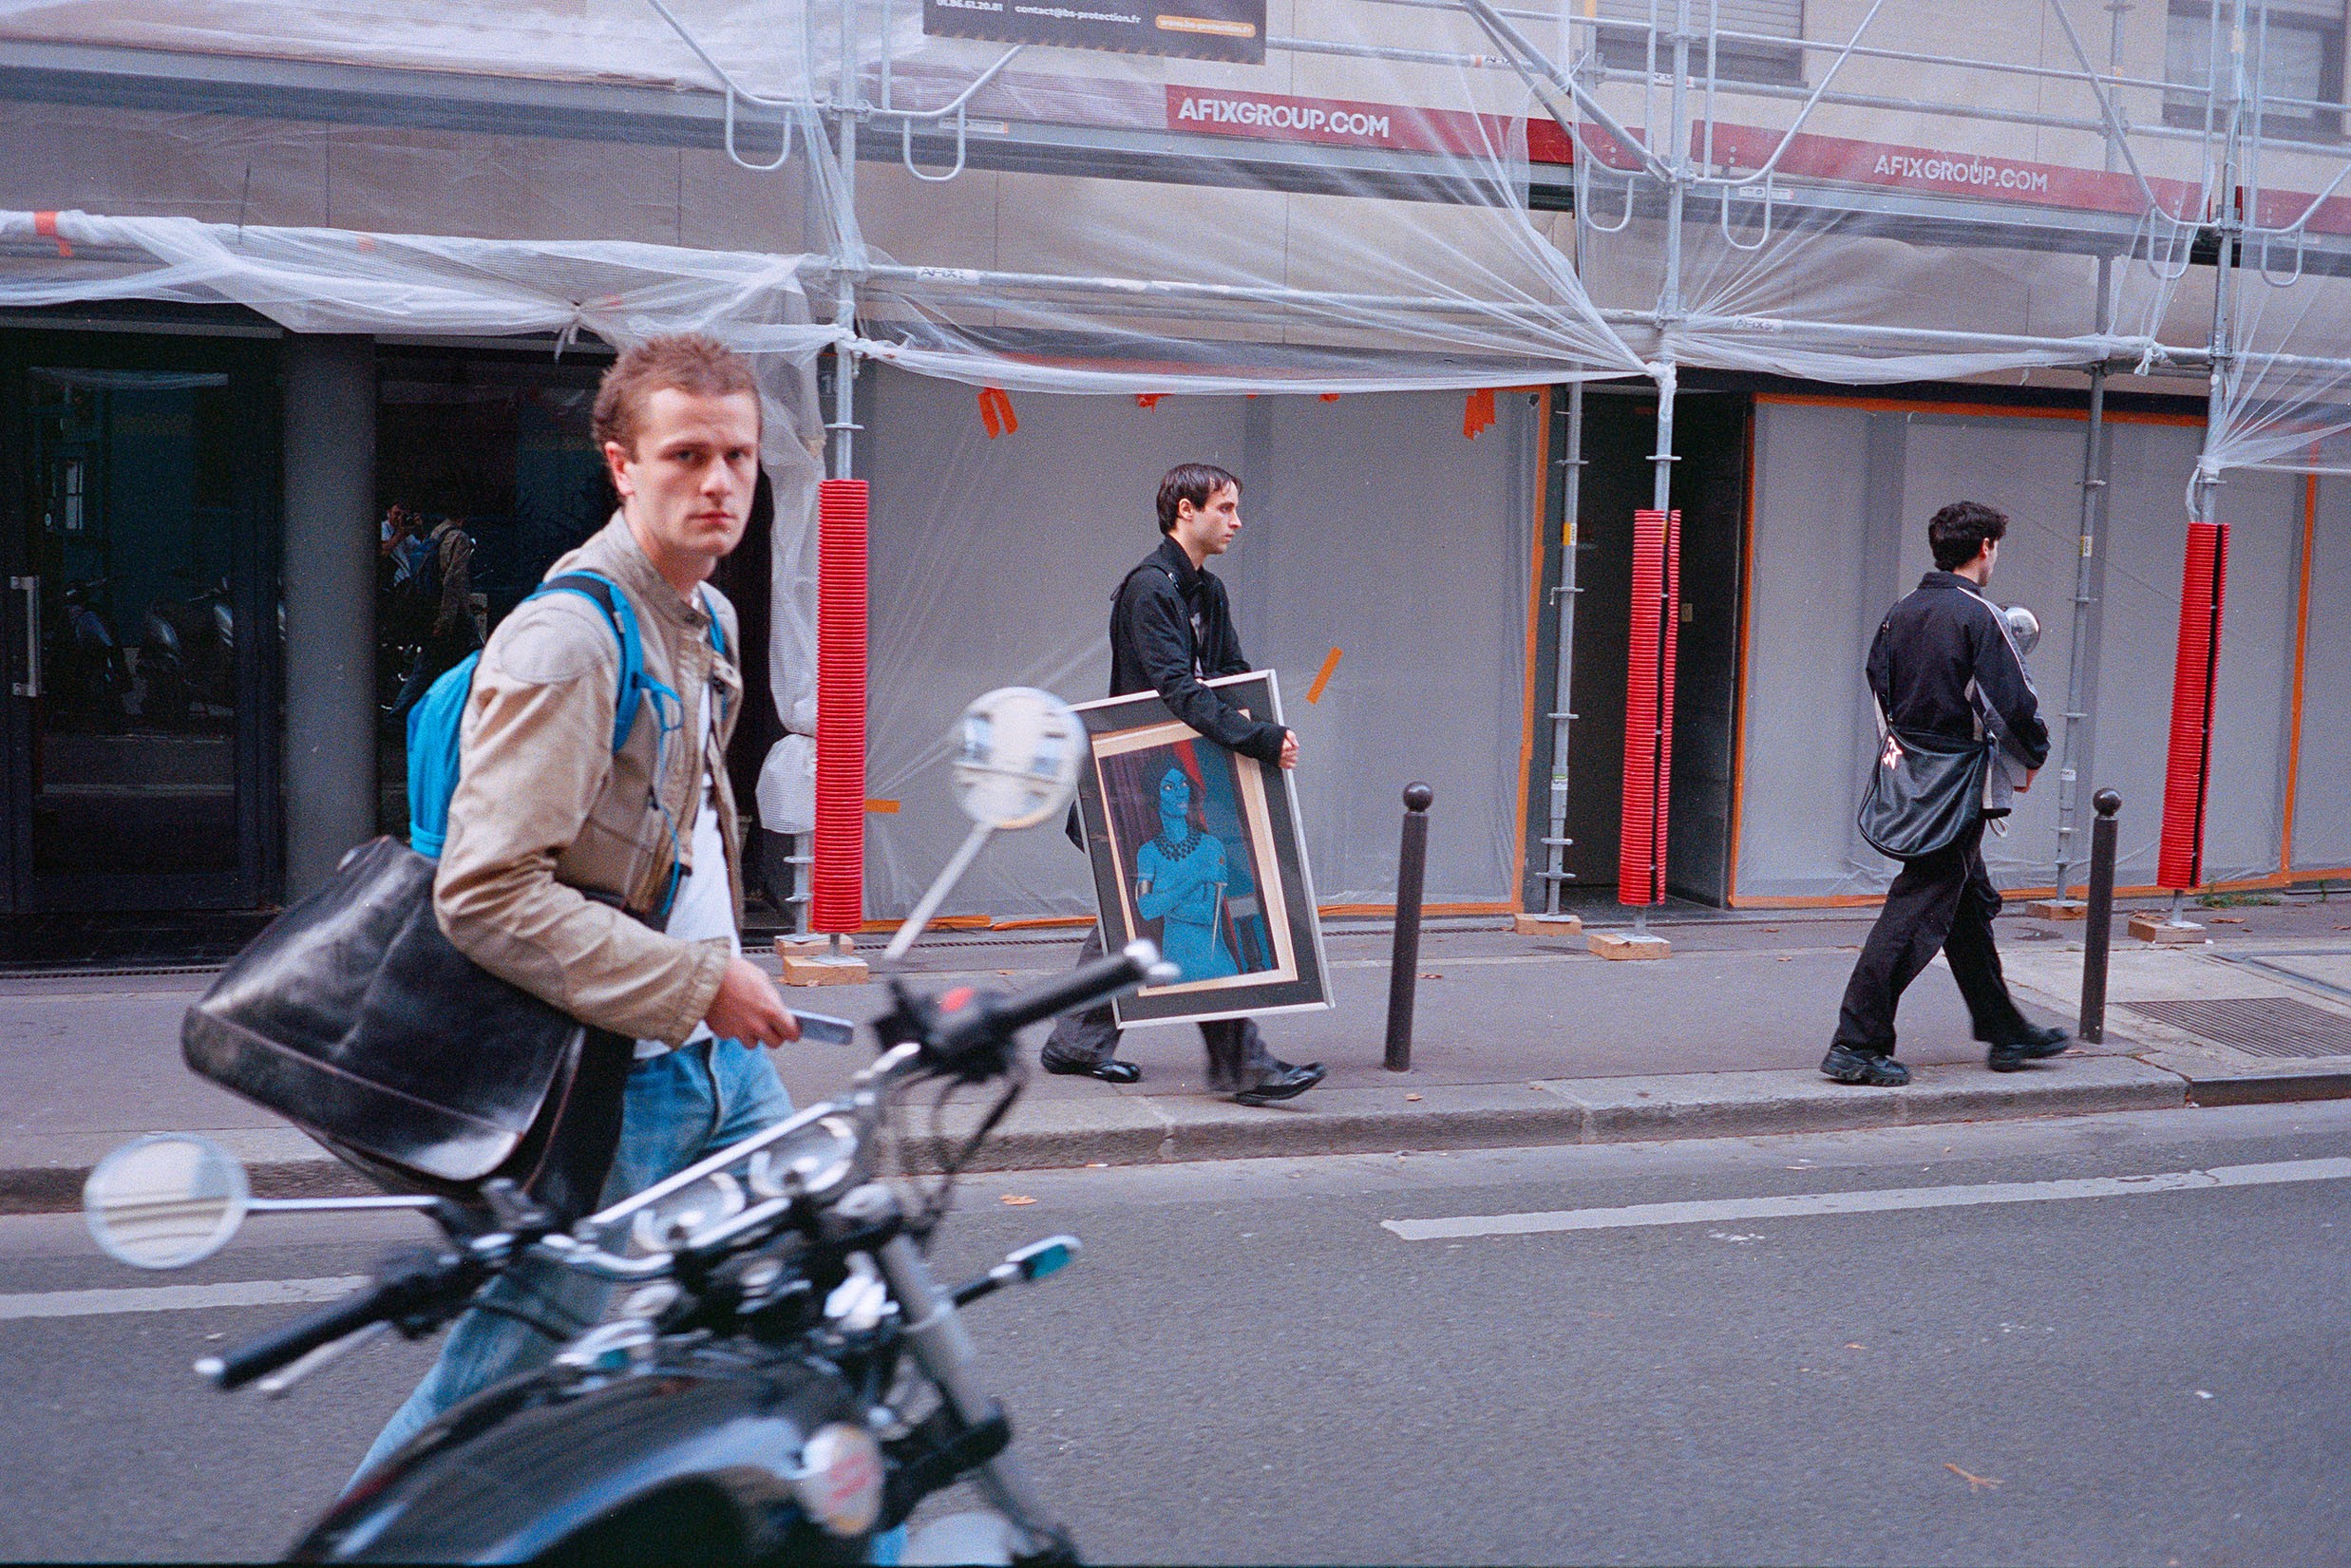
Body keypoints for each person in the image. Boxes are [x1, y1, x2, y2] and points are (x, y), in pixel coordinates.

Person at [351, 334, 803, 1483]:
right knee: (489, 1395)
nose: (719, 482)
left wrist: (719, 971)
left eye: (739, 457)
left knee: (820, 1314)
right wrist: (701, 980)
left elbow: (683, 838)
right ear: (621, 465)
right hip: (621, 1082)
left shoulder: (708, 619)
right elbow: (489, 896)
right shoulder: (568, 640)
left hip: (723, 1068)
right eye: (686, 454)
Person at [1040, 463, 1324, 1106]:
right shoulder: (1150, 589)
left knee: (1131, 922)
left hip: (1171, 775)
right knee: (1196, 908)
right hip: (1142, 784)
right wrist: (1252, 738)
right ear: (1185, 511)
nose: (1236, 520)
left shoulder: (1206, 591)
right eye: (1224, 507)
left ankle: (1076, 1042)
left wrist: (1264, 724)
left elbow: (1227, 674)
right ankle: (1240, 1065)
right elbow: (1176, 690)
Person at [1823, 500, 2071, 1087]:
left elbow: (1879, 686)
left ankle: (2004, 1028)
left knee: (1965, 903)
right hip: (1958, 782)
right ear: (1985, 547)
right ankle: (1855, 1043)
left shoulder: (1900, 613)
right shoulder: (1979, 617)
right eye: (1996, 547)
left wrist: (1909, 749)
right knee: (1917, 908)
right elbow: (2012, 705)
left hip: (1914, 774)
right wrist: (2031, 757)